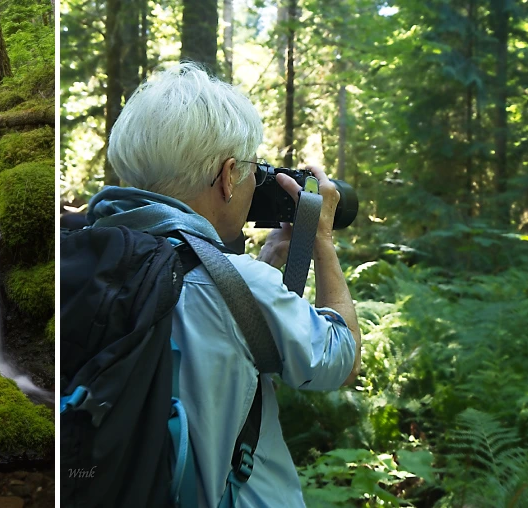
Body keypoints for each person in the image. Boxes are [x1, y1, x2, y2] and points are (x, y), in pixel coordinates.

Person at [84, 62, 362, 507]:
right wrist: (322, 241)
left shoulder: (84, 251)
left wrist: (268, 260)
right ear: (229, 175)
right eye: (253, 168)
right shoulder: (237, 286)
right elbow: (342, 362)